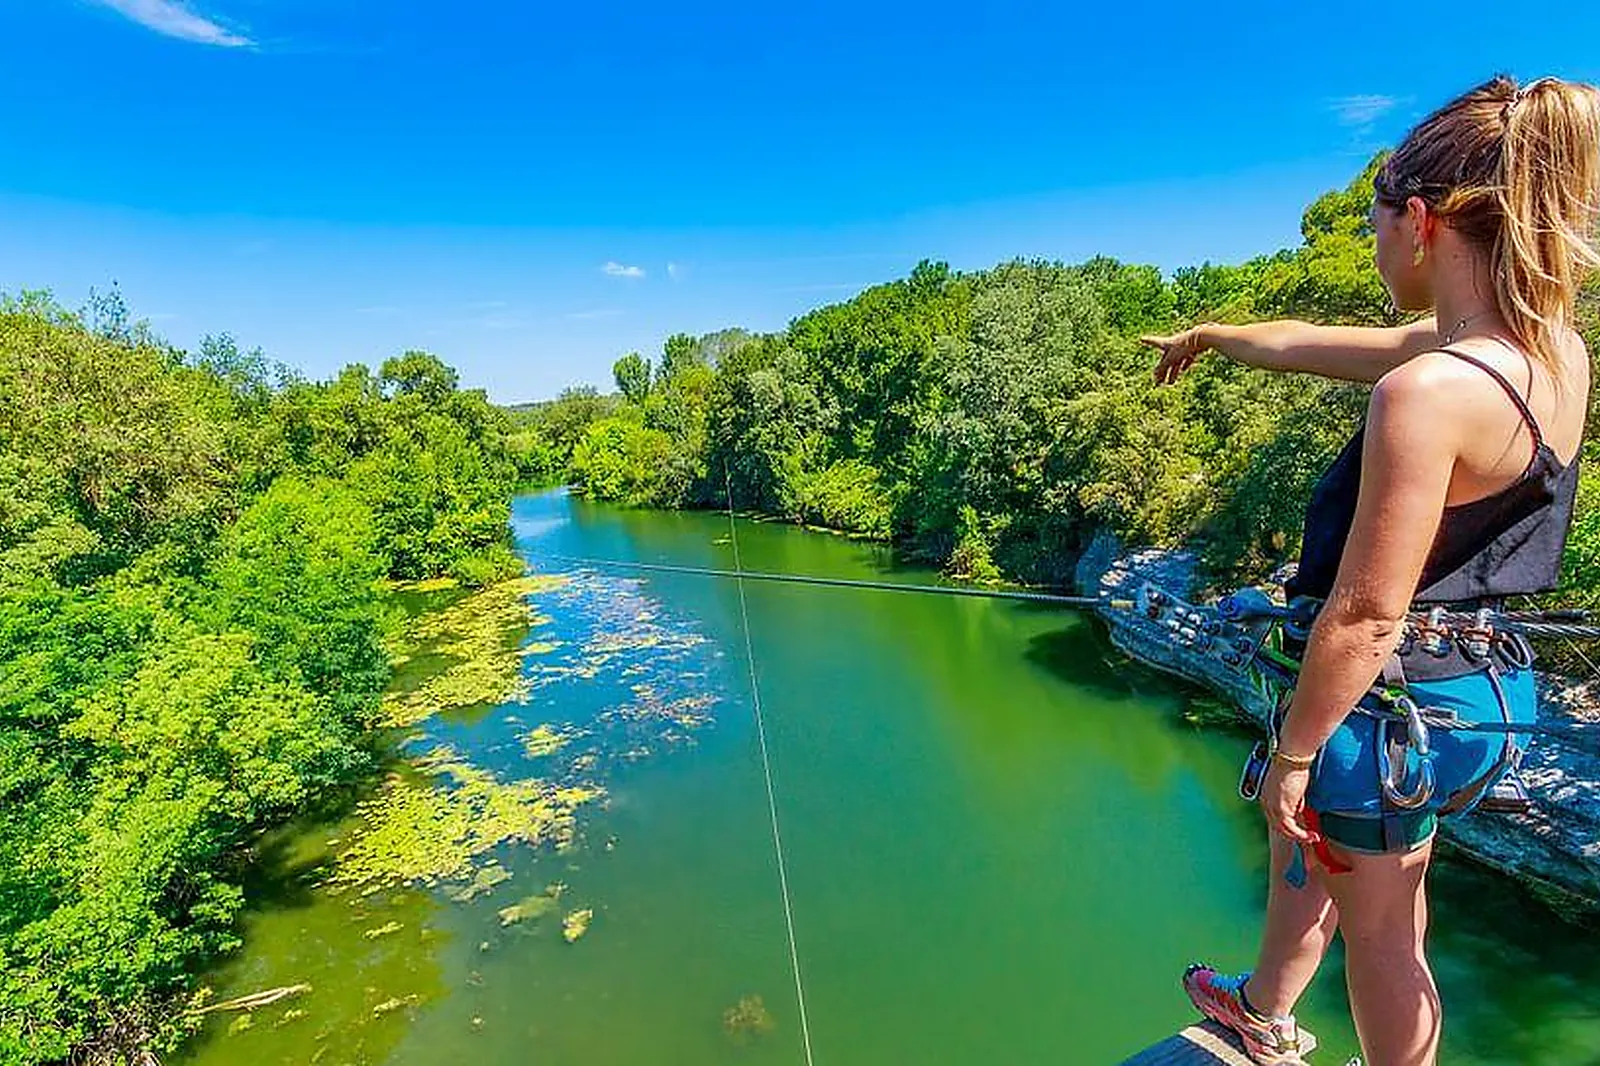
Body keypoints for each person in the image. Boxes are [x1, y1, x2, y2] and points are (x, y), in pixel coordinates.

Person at [1139, 74, 1600, 1066]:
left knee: (1381, 932)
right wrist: (1215, 335)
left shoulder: (1428, 393)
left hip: (1386, 711)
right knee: (1375, 885)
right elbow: (1314, 345)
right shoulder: (1546, 354)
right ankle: (1261, 1004)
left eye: (1374, 224)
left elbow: (1364, 611)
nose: (1372, 245)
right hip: (1481, 692)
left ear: (1420, 222)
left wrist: (1296, 756)